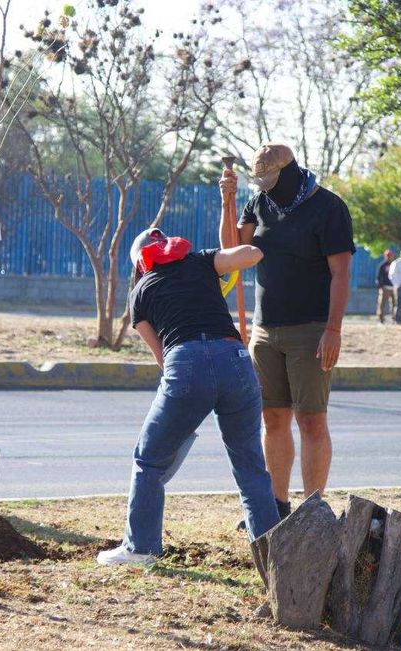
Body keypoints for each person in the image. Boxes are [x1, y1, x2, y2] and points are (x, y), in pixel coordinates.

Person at [96, 227, 279, 566]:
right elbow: (252, 255)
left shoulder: (139, 292)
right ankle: (273, 557)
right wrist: (221, 257)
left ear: (139, 264)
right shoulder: (200, 261)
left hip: (185, 363)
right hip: (237, 362)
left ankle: (141, 549)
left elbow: (163, 360)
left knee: (148, 460)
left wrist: (179, 414)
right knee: (251, 469)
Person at [219, 143, 355, 520]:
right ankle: (276, 506)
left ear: (291, 169)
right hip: (265, 330)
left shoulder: (327, 207)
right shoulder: (258, 202)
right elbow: (231, 253)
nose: (264, 186)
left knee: (310, 419)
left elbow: (340, 273)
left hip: (312, 330)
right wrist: (227, 203)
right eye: (258, 180)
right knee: (272, 418)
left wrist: (333, 329)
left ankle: (313, 511)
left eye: (270, 179)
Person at [376, 250, 395, 323]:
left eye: (390, 256)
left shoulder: (394, 264)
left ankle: (394, 318)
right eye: (388, 256)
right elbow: (378, 277)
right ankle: (380, 318)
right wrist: (381, 286)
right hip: (385, 287)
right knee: (382, 303)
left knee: (394, 303)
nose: (389, 258)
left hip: (393, 287)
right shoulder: (382, 265)